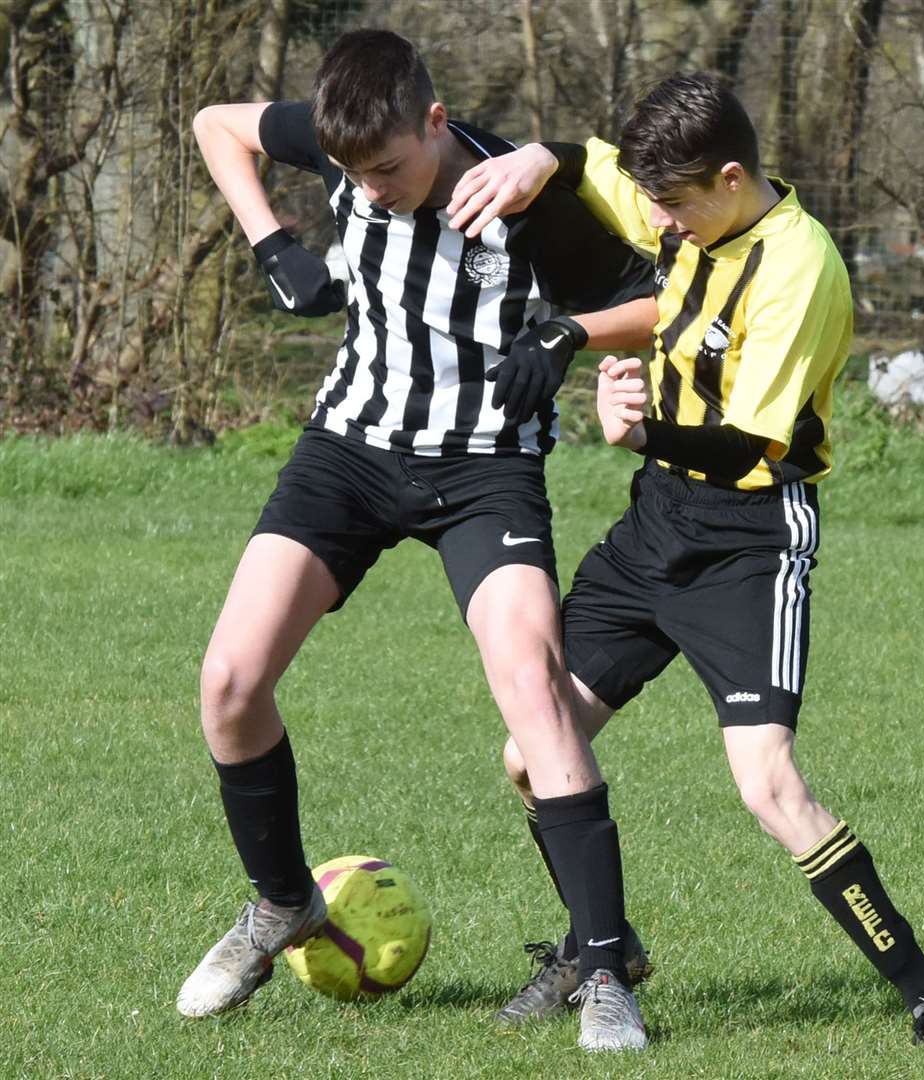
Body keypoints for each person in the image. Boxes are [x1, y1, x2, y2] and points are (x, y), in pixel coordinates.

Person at [447, 72, 924, 1057]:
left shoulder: (800, 271)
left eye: (672, 208)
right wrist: (543, 158)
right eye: (652, 203)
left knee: (767, 784)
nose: (655, 223)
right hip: (653, 526)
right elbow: (590, 166)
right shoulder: (681, 198)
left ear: (733, 178)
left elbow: (753, 447)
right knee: (529, 754)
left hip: (748, 541)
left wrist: (632, 426)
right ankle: (599, 947)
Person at [177, 28, 660, 1052]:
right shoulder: (350, 137)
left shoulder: (521, 200)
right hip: (349, 449)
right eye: (354, 174)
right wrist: (275, 248)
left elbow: (657, 299)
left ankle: (606, 967)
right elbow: (216, 127)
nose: (374, 190)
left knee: (533, 692)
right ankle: (281, 906)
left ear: (435, 123)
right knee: (228, 683)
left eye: (391, 169)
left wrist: (563, 340)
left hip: (482, 469)